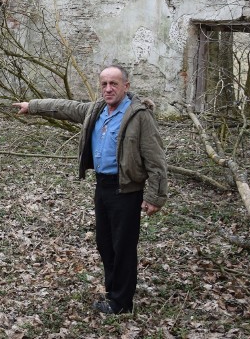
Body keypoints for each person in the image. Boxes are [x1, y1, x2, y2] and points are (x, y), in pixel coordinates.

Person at [13, 65, 168, 315]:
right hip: (103, 186)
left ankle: (121, 304)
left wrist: (155, 196)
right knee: (105, 244)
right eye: (104, 83)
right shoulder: (95, 110)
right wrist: (32, 106)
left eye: (114, 84)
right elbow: (64, 107)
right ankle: (113, 292)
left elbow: (156, 159)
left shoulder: (139, 116)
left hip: (126, 190)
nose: (108, 89)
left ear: (126, 86)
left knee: (123, 247)